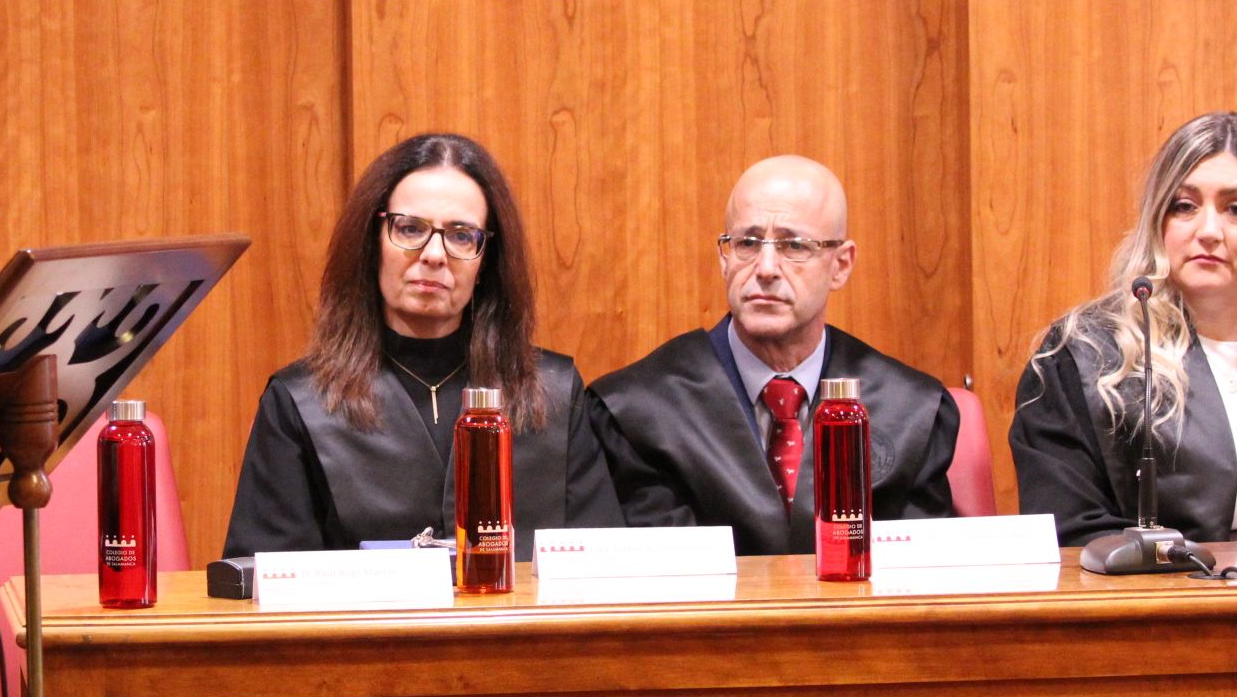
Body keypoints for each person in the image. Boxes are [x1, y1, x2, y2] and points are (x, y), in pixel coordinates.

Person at [222, 132, 623, 557]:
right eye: (410, 229)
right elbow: (260, 588)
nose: (434, 254)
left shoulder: (557, 394)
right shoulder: (299, 402)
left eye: (461, 235)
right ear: (372, 243)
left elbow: (605, 575)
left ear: (487, 259)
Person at [1012, 111, 1237, 545]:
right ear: (1158, 222)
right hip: (1158, 606)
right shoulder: (1083, 356)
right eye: (1184, 207)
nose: (1208, 231)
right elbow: (1068, 528)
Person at [588, 155, 956, 554]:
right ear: (723, 258)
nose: (765, 268)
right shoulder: (638, 411)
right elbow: (664, 581)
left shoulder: (912, 410)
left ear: (841, 265)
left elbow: (920, 582)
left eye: (794, 245)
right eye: (747, 243)